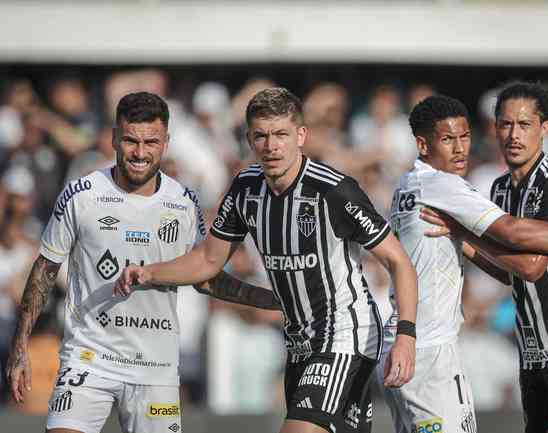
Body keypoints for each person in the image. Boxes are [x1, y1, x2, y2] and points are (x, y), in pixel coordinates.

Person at [114, 87, 419, 433]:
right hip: (298, 342)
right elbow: (207, 261)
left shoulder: (333, 191)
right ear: (248, 138)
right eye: (261, 136)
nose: (271, 146)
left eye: (281, 135)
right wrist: (148, 272)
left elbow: (399, 261)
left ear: (301, 136)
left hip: (346, 335)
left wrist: (406, 336)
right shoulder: (245, 189)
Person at [5, 91, 277, 433]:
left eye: (151, 142)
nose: (140, 152)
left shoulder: (184, 203)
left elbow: (206, 276)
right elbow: (46, 270)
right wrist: (20, 349)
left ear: (166, 142)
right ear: (115, 139)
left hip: (155, 367)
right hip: (89, 359)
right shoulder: (82, 194)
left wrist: (271, 299)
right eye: (131, 141)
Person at [385, 94, 548, 433]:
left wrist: (463, 233)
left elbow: (531, 266)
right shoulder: (499, 190)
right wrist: (461, 239)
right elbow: (507, 271)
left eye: (524, 125)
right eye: (505, 125)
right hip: (535, 356)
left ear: (545, 128)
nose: (514, 135)